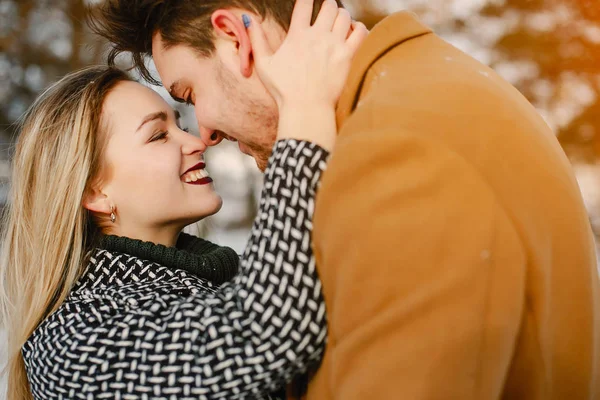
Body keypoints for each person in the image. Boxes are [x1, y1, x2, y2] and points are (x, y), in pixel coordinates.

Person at [91, 0, 600, 398]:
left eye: (189, 95)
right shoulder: (414, 99)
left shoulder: (397, 146)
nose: (204, 133)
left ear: (236, 38)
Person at [0, 3, 367, 399]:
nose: (196, 141)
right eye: (158, 136)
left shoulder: (226, 281)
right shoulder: (72, 339)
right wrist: (305, 107)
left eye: (180, 120)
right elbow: (262, 332)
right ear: (94, 191)